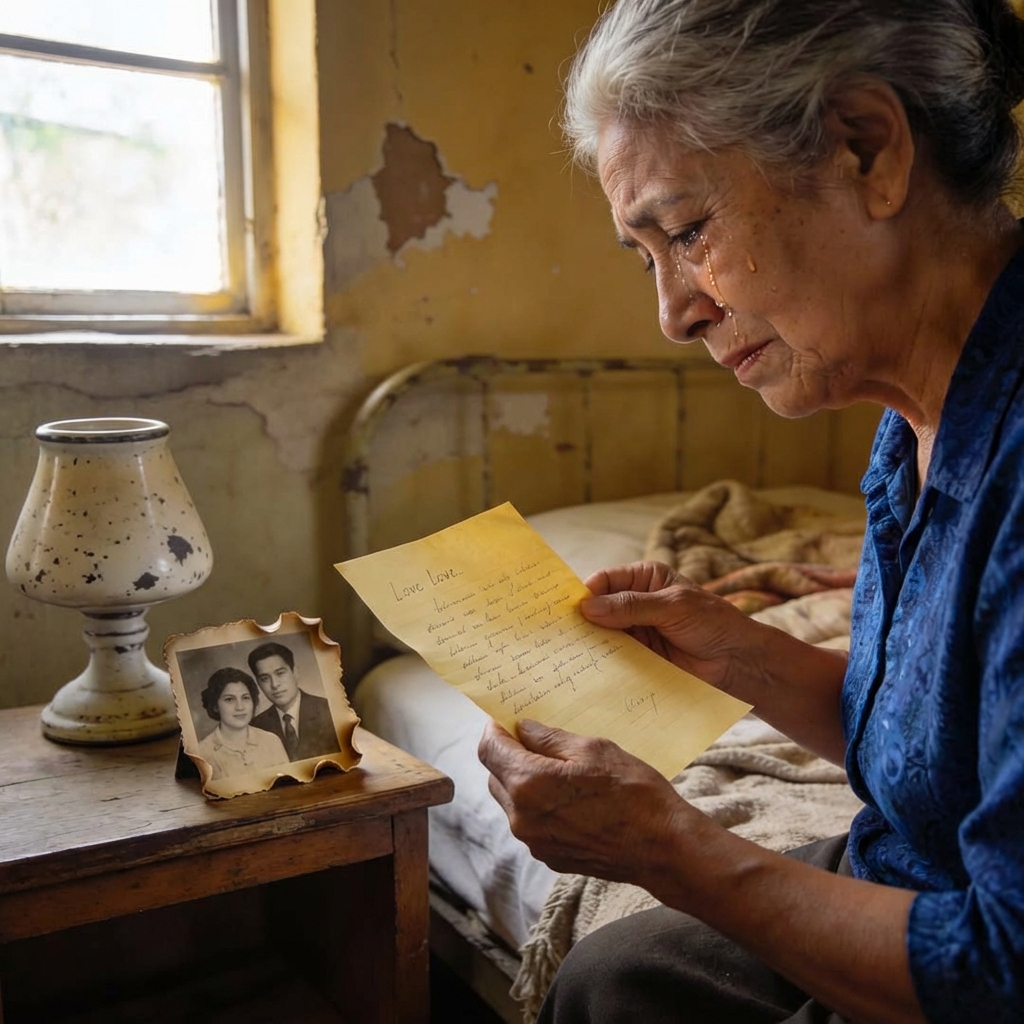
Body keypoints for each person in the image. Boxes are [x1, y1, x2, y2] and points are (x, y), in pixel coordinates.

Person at [476, 2, 1024, 1022]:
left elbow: (1004, 970)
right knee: (609, 976)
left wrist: (669, 847)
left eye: (688, 232)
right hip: (919, 877)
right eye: (647, 257)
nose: (673, 312)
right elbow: (935, 755)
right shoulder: (912, 422)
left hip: (979, 955)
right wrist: (737, 657)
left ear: (867, 149)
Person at [248, 642, 340, 761]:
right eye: (265, 678)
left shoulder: (329, 710)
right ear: (258, 683)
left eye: (280, 673)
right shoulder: (256, 727)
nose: (274, 684)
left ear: (295, 672)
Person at [196, 667, 289, 780]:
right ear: (215, 706)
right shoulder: (202, 752)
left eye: (245, 698)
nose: (240, 707)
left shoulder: (272, 742)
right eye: (229, 699)